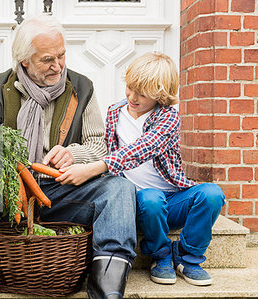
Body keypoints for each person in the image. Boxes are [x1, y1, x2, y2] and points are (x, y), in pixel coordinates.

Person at [0, 15, 137, 299]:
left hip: (63, 191)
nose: (58, 65)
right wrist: (8, 168)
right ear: (24, 61)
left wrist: (73, 154)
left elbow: (98, 145)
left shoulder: (82, 88)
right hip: (7, 195)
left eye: (62, 55)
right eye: (47, 60)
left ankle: (108, 285)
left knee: (120, 189)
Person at [58, 52, 225, 286]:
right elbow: (106, 148)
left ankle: (189, 257)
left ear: (160, 95)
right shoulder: (115, 112)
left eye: (142, 93)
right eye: (130, 88)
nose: (132, 97)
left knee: (212, 194)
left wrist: (95, 168)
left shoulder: (168, 117)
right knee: (150, 198)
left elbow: (144, 148)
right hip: (140, 201)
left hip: (173, 199)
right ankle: (161, 254)